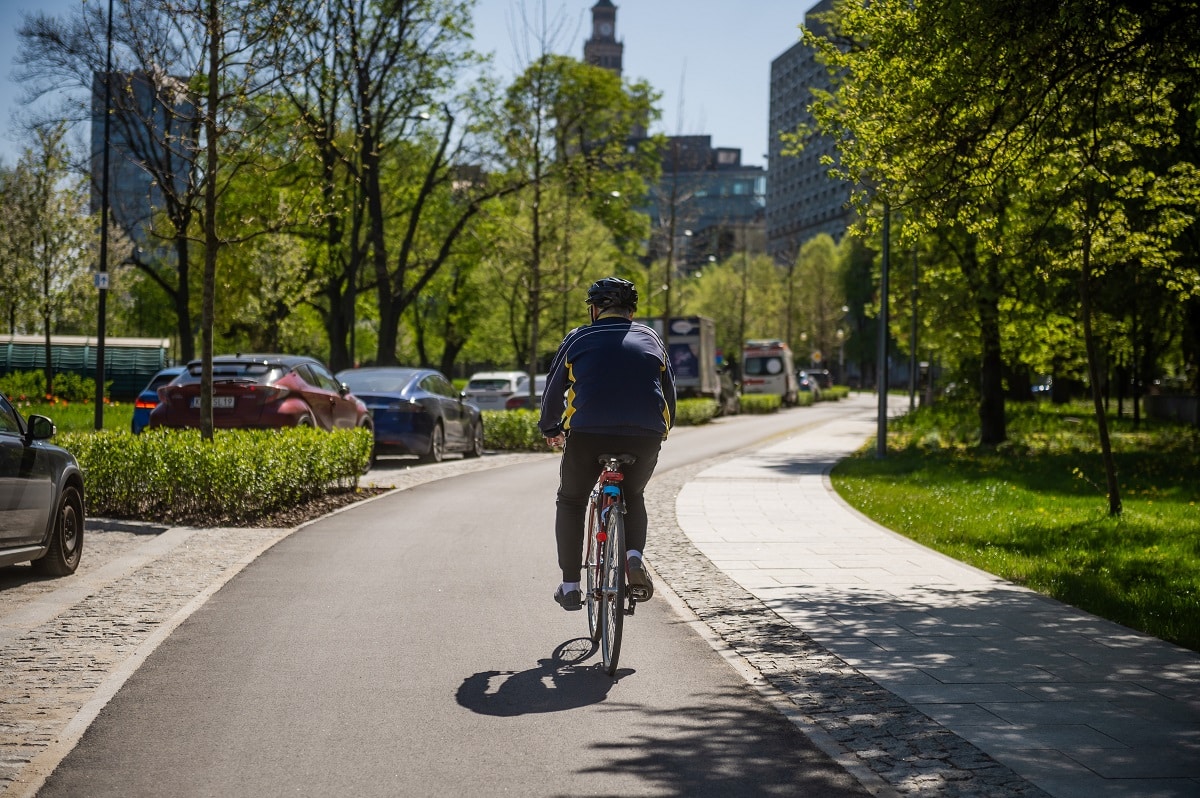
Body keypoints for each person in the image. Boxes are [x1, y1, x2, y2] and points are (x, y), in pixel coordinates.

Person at [539, 277, 676, 611]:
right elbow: (668, 394)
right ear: (632, 312)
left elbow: (554, 390)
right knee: (634, 494)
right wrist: (661, 432)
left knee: (571, 500)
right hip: (644, 434)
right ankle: (632, 557)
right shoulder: (652, 339)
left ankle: (571, 585)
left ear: (595, 309)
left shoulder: (579, 338)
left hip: (588, 432)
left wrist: (550, 428)